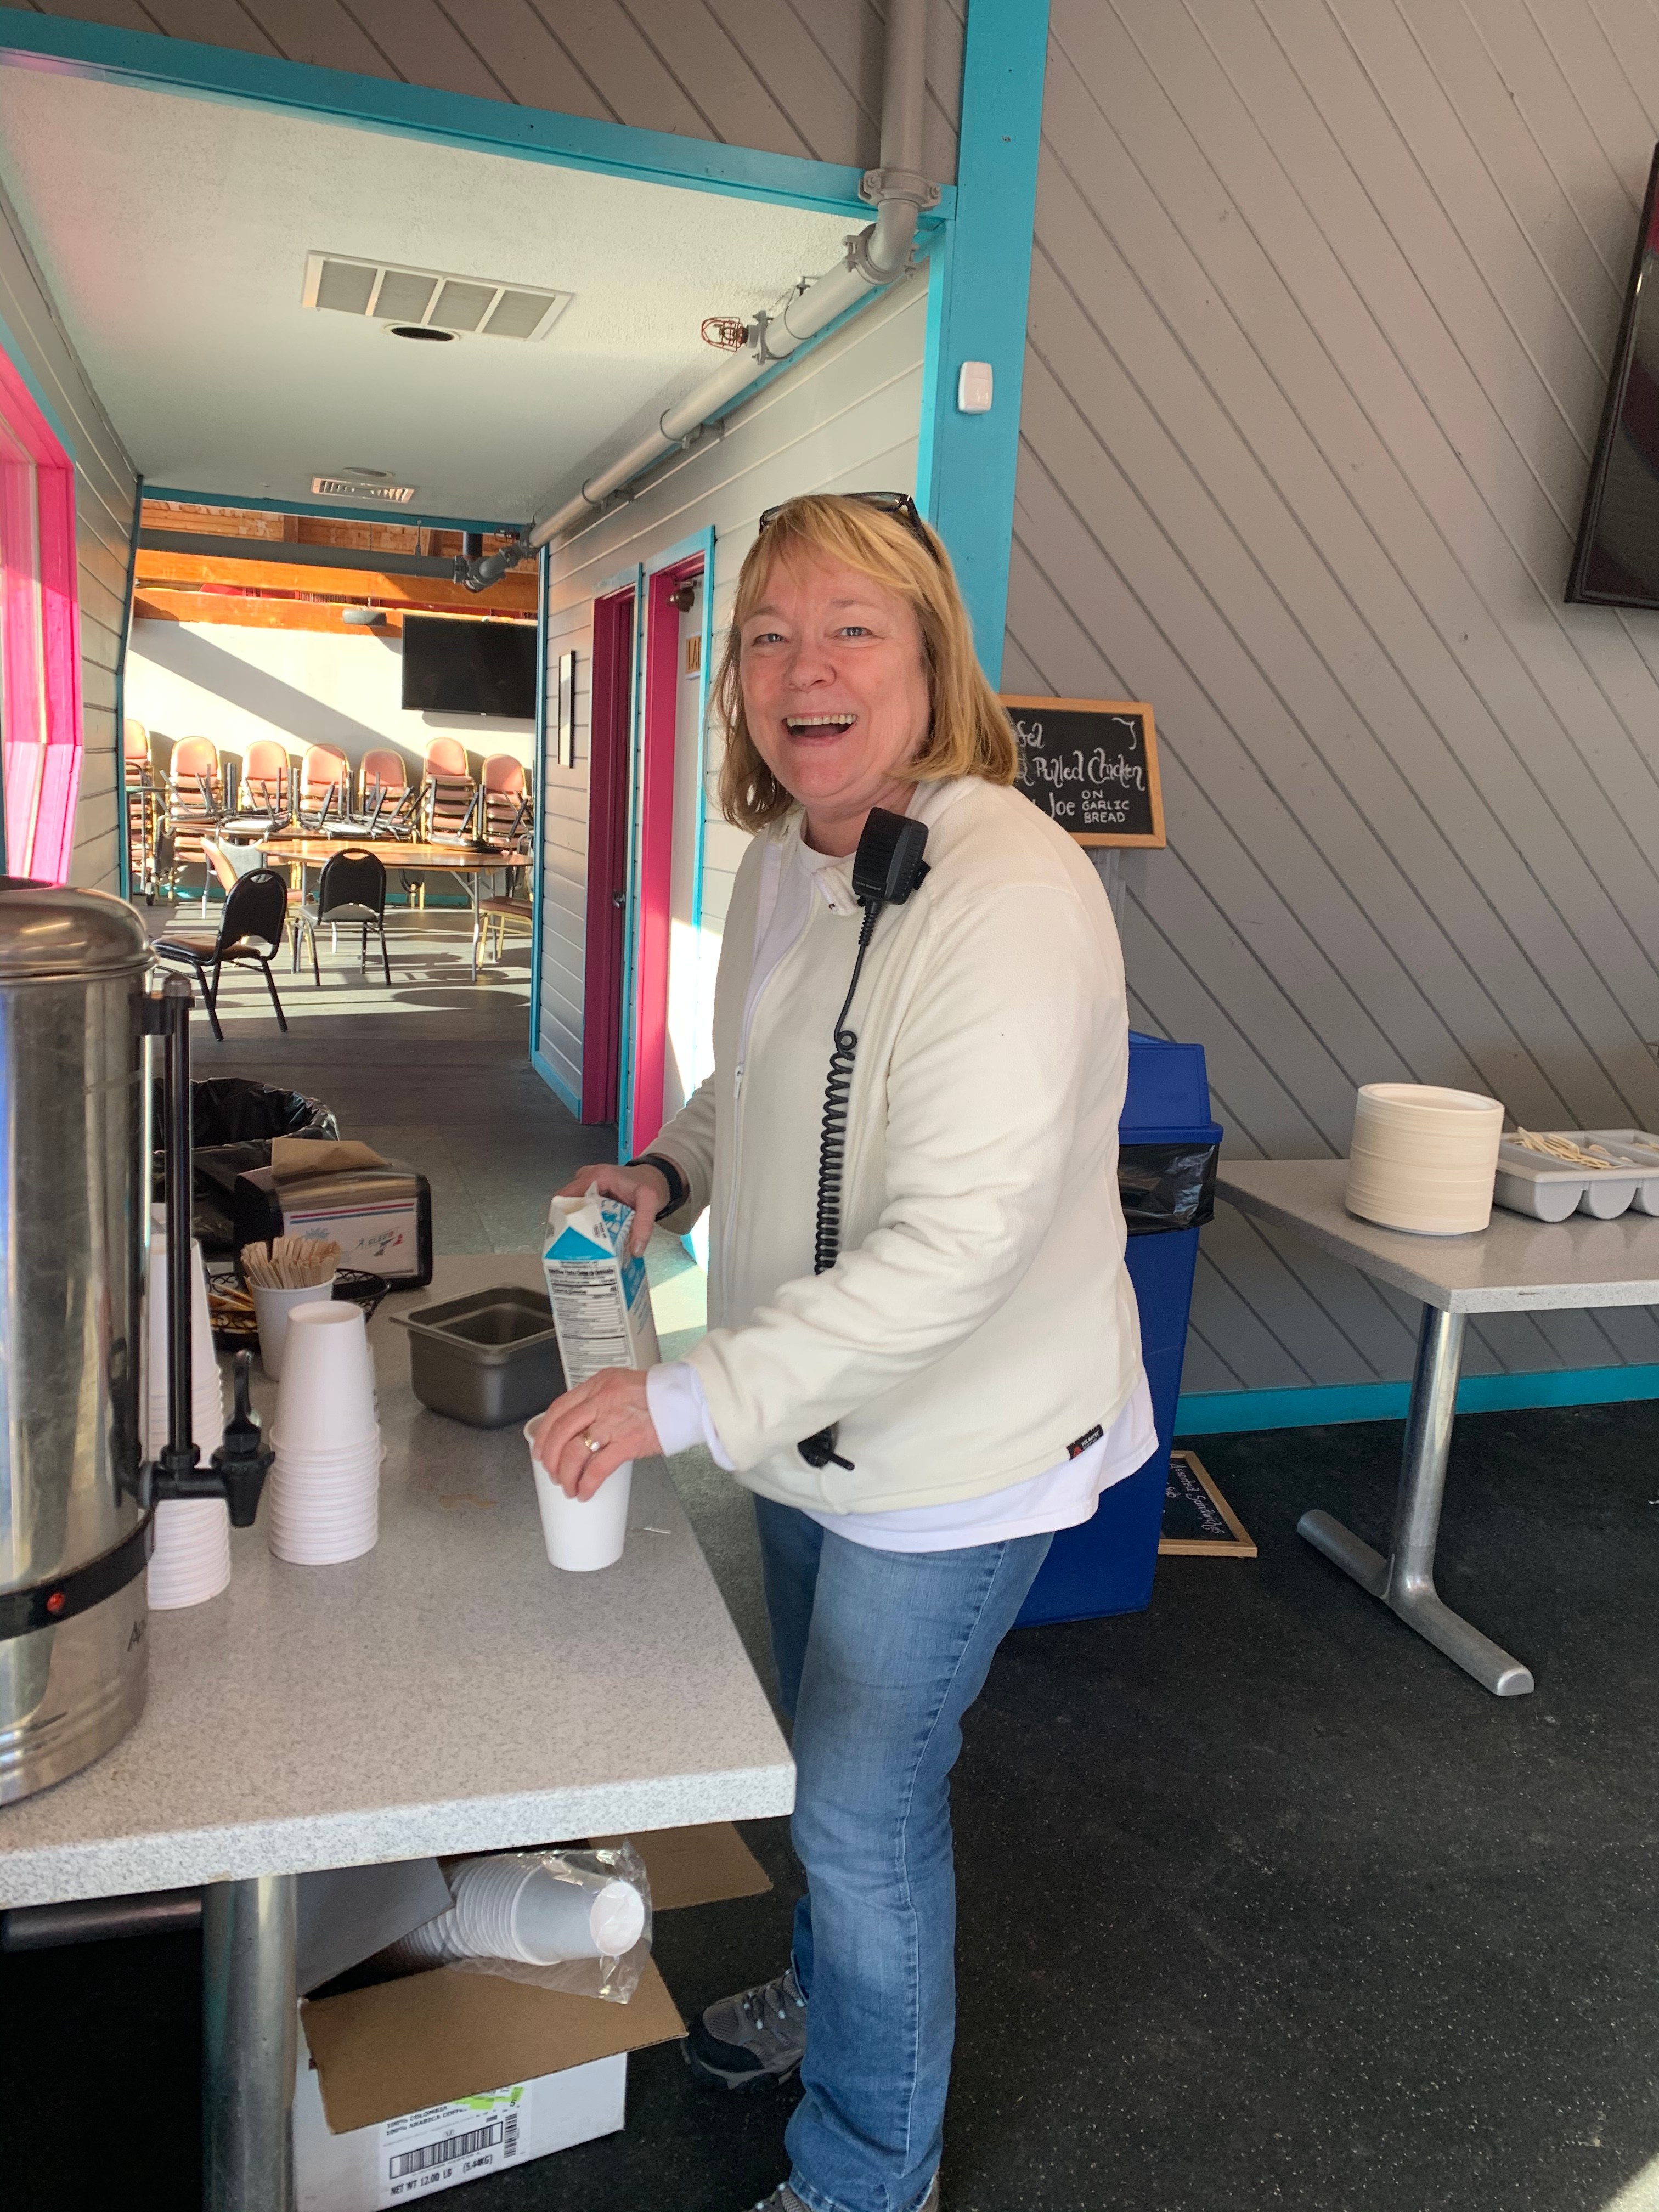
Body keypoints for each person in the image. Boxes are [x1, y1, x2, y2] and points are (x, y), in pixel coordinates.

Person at [532, 492, 1148, 2212]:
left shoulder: (1008, 887)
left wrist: (684, 1395)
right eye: (770, 636)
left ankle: (874, 2172)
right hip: (810, 1422)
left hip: (958, 1452)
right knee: (822, 1775)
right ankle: (833, 1997)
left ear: (931, 660)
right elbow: (752, 1082)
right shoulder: (786, 859)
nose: (805, 669)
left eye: (852, 628)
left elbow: (962, 1242)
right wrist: (666, 1175)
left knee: (865, 1814)